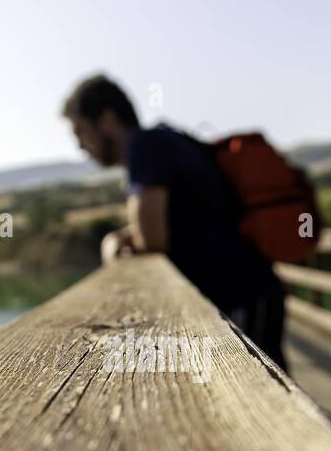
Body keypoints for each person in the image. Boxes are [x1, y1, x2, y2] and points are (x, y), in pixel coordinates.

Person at [61, 74, 288, 370]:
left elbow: (152, 239)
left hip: (242, 295)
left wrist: (112, 243)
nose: (80, 146)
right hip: (244, 295)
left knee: (265, 401)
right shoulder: (157, 143)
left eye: (80, 131)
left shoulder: (145, 146)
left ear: (107, 119)